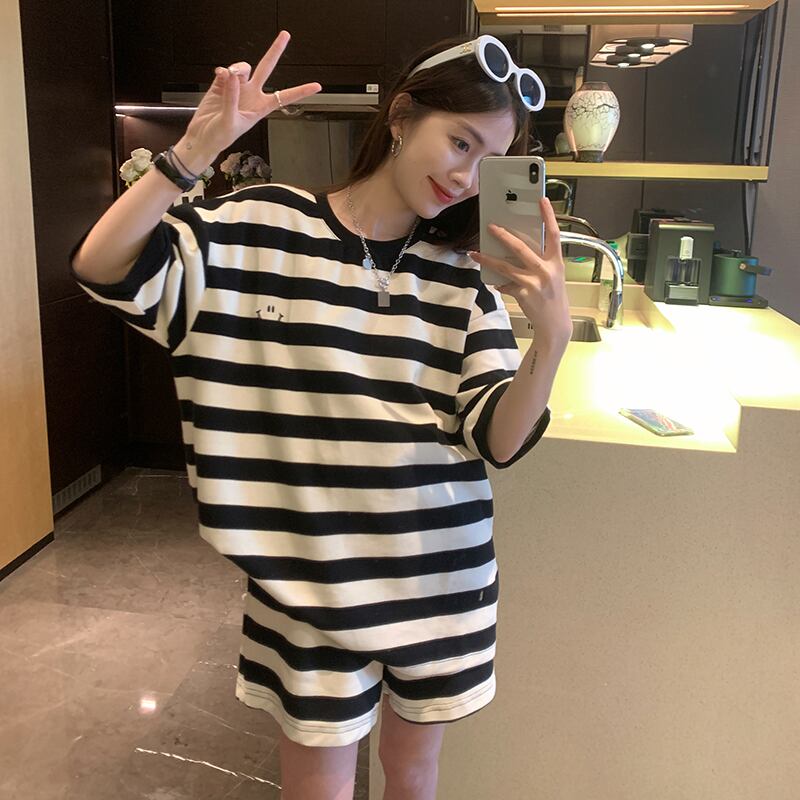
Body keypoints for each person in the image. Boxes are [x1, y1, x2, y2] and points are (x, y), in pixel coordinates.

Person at [70, 29, 572, 800]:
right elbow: (102, 267)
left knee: (414, 777)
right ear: (401, 116)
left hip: (440, 580)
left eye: (490, 160)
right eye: (459, 142)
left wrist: (551, 339)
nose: (466, 177)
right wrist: (189, 156)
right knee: (318, 789)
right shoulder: (262, 227)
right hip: (304, 586)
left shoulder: (464, 280)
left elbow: (498, 440)